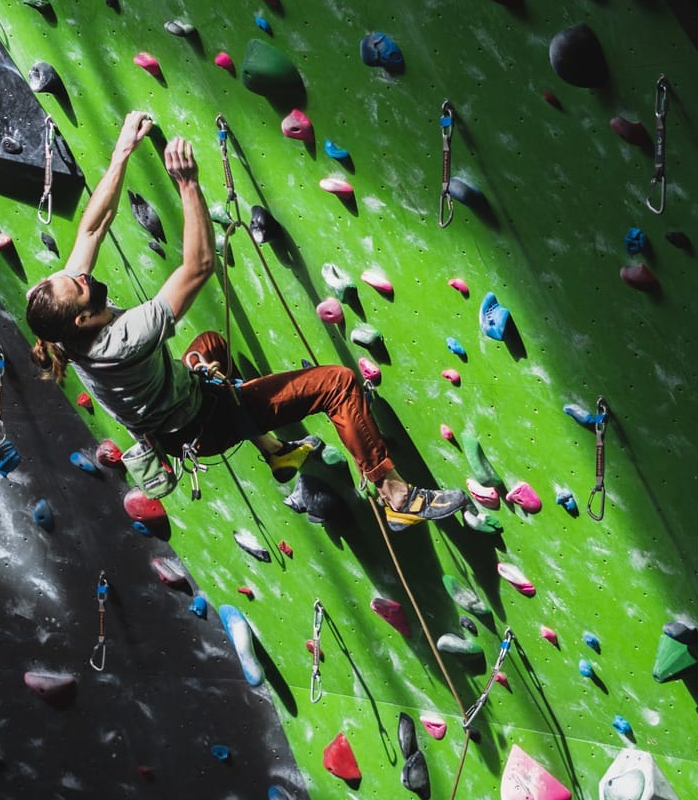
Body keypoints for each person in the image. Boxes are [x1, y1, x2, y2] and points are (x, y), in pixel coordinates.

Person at [25, 111, 464, 530]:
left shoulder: (57, 321)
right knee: (339, 384)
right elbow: (196, 268)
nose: (81, 275)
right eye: (79, 285)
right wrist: (188, 184)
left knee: (212, 345)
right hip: (204, 422)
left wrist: (122, 152)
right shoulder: (122, 341)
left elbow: (90, 230)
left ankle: (275, 451)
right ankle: (397, 497)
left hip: (173, 417)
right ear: (82, 319)